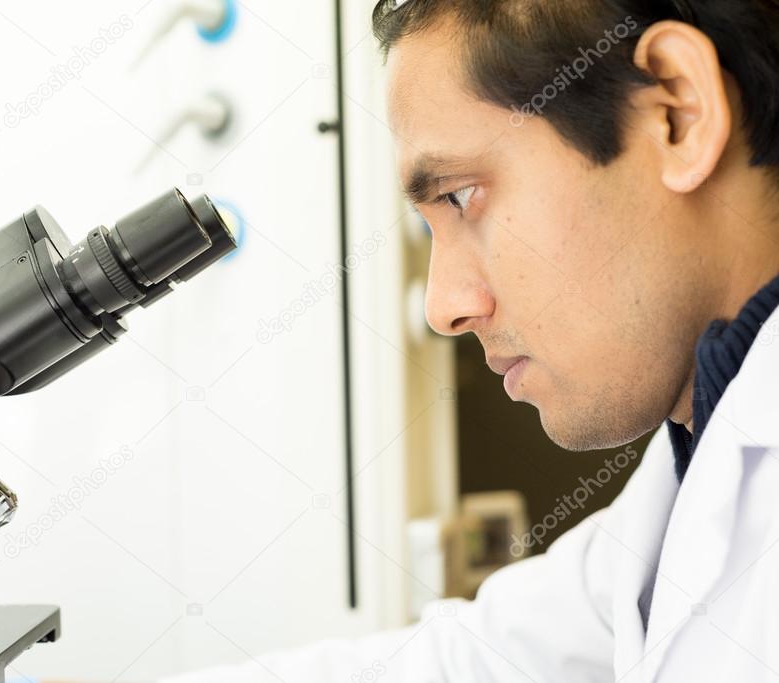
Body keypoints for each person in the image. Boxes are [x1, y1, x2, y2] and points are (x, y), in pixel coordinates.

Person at [159, 0, 779, 680]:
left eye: (458, 196)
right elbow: (479, 659)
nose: (443, 307)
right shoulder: (698, 453)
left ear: (677, 113)